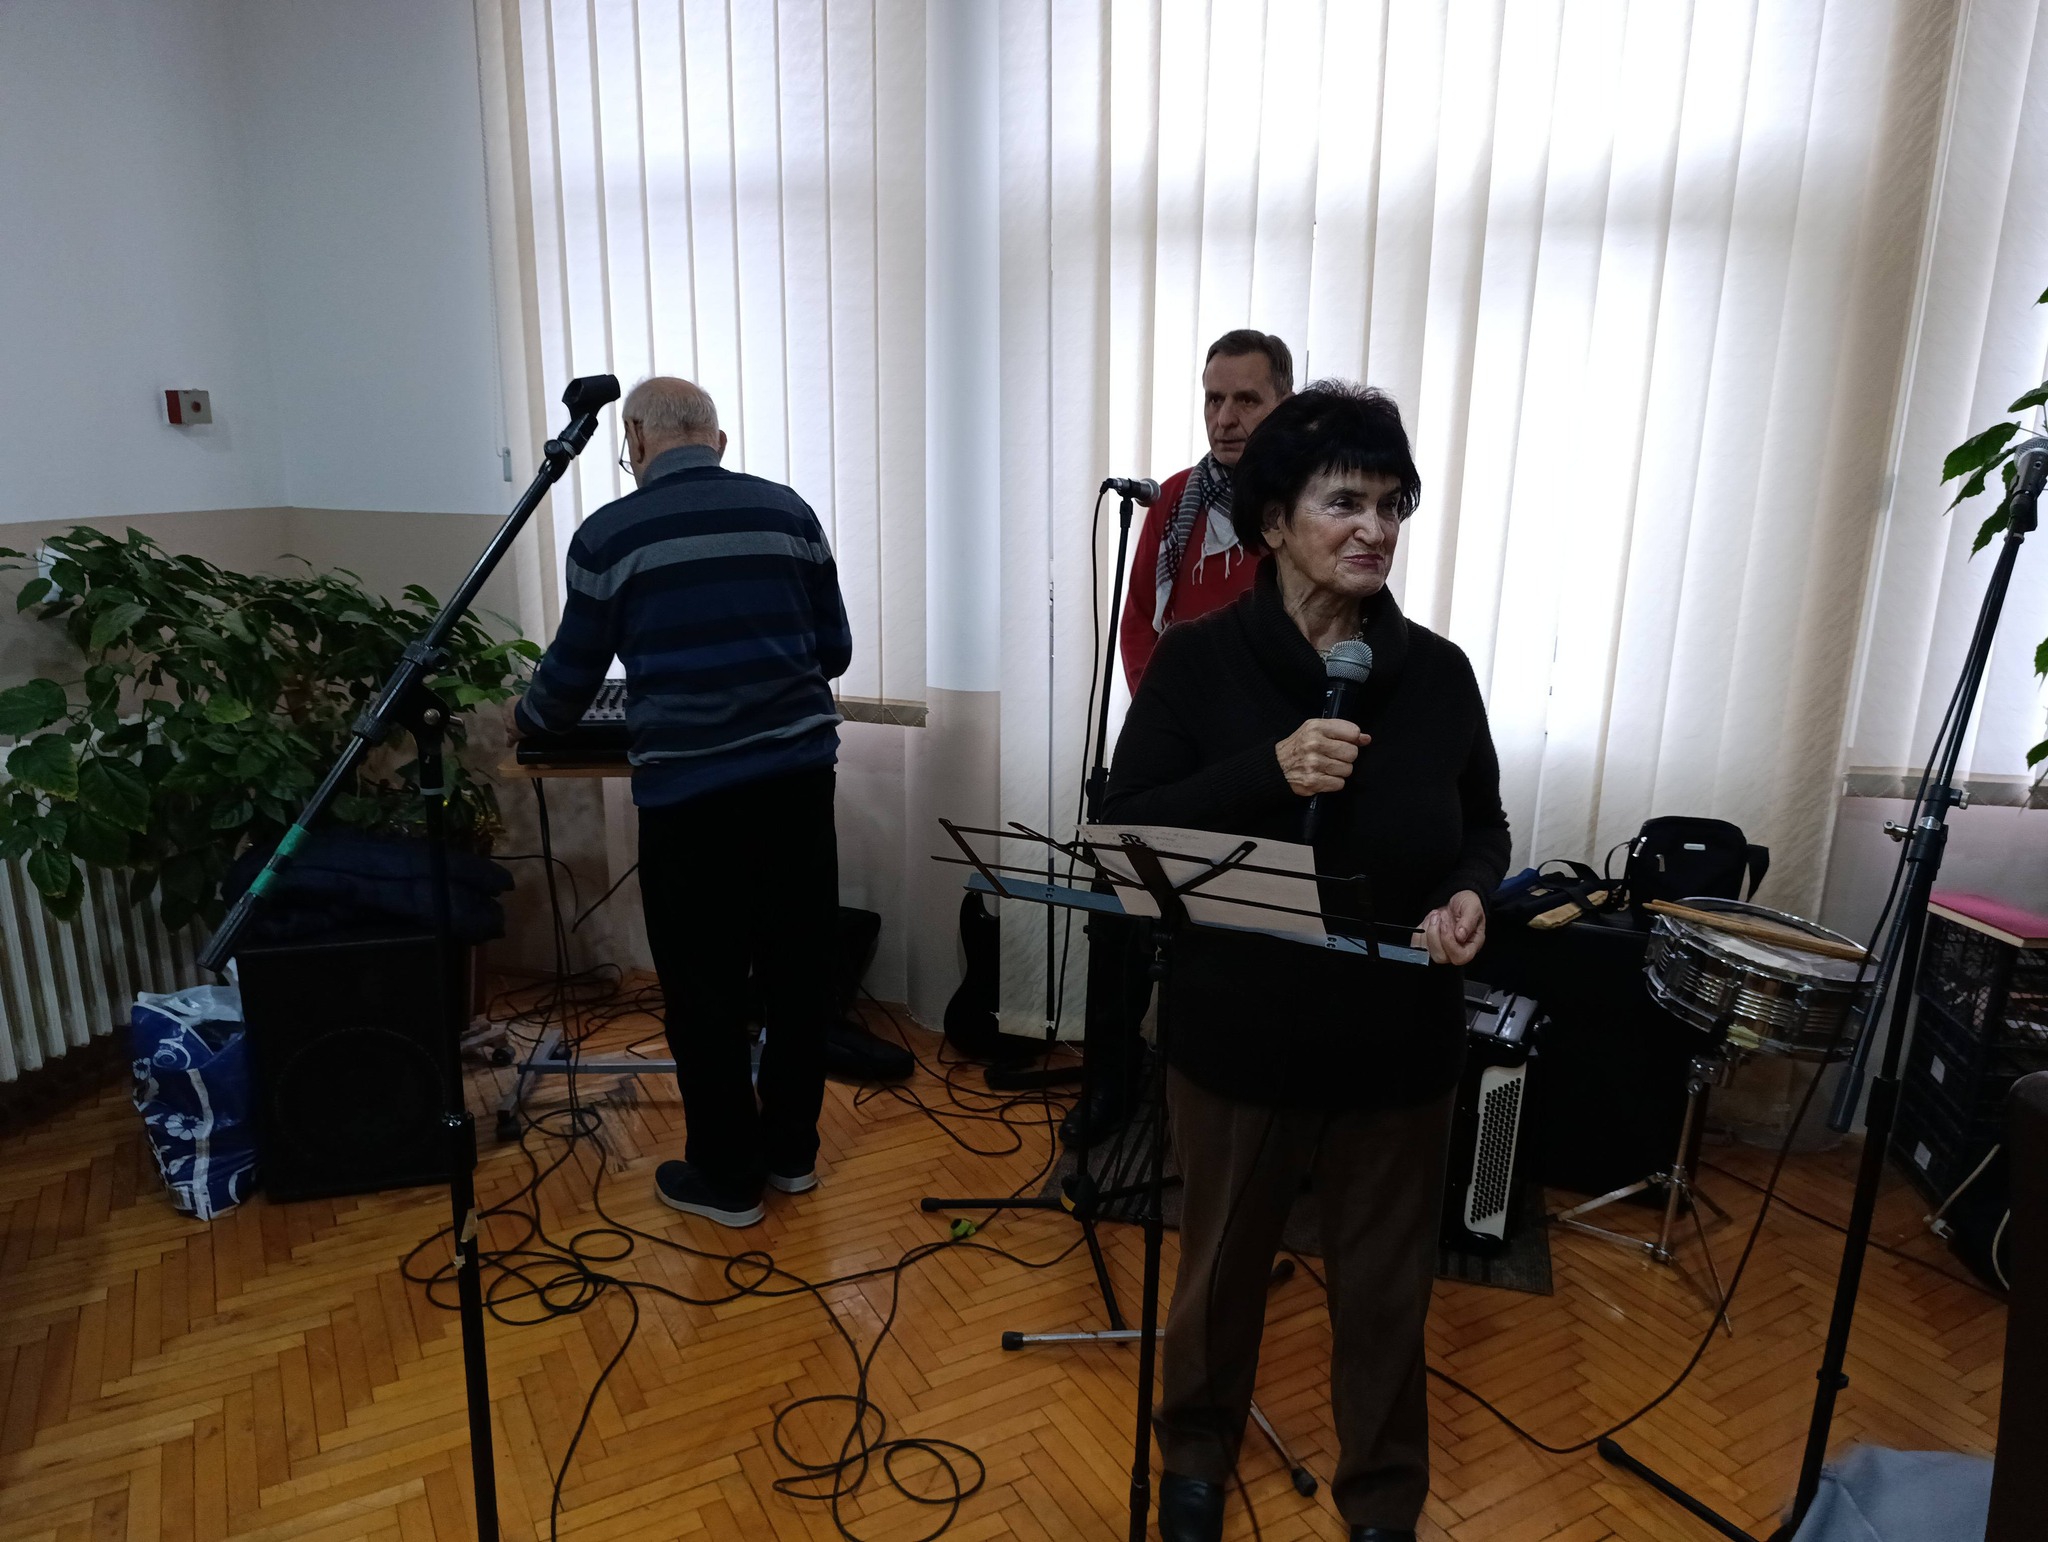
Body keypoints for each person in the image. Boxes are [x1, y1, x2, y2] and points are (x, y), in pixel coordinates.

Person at [1099, 382, 1510, 1542]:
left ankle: (1381, 1499)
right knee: (1220, 1272)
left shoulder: (1437, 674)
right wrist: (1265, 772)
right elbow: (1126, 825)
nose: (1374, 529)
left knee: (1384, 1293)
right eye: (1344, 503)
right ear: (1273, 521)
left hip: (1398, 1041)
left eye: (1390, 505)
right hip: (1240, 1031)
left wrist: (1470, 893)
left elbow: (1482, 823)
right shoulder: (1197, 664)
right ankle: (1194, 1453)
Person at [505, 376, 852, 1229]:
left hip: (691, 803)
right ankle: (792, 1156)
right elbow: (834, 651)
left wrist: (526, 717)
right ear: (717, 440)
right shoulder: (790, 514)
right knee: (796, 977)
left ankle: (728, 1181)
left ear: (633, 442)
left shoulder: (608, 535)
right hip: (798, 789)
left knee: (704, 990)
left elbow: (568, 686)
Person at [1067, 330, 1295, 1147]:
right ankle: (1110, 1078)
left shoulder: (1301, 509)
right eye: (1213, 399)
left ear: (1283, 404)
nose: (1224, 418)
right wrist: (1167, 720)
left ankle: (1231, 1097)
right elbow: (1139, 623)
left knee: (1240, 940)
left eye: (1246, 400)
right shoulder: (1172, 501)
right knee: (1117, 917)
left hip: (1263, 761)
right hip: (1168, 746)